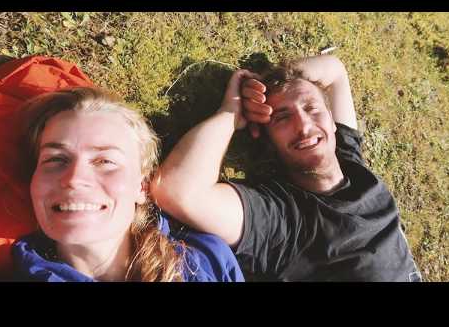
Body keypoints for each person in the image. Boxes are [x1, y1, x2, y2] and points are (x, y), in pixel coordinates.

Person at [151, 54, 422, 281]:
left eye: (311, 108)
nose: (304, 126)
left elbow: (336, 72)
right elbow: (177, 189)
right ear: (267, 140)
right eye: (283, 118)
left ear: (331, 120)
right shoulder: (285, 219)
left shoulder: (351, 163)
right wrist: (231, 113)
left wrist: (276, 77)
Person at [11, 87, 244, 282]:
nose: (73, 179)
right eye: (56, 159)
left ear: (142, 186)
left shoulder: (207, 259)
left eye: (104, 161)